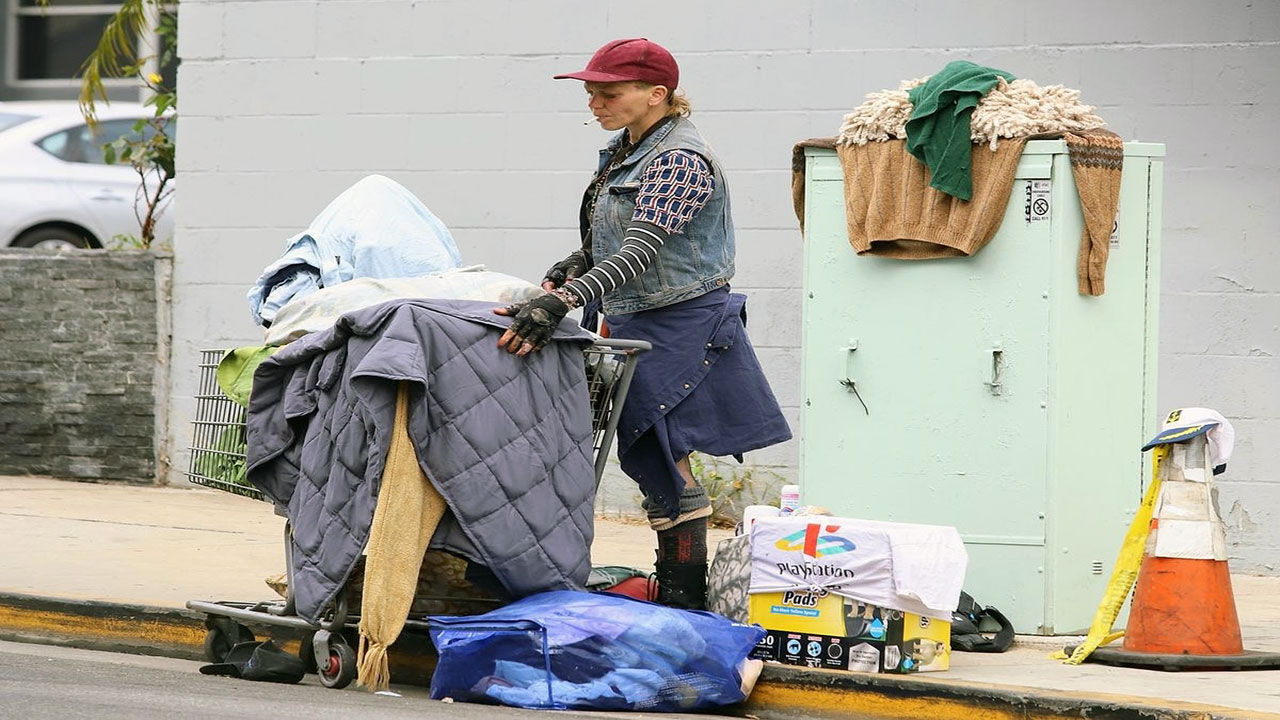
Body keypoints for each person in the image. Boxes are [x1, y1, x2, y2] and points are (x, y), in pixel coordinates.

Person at [495, 38, 791, 609]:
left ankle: (682, 599)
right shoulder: (622, 149)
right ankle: (681, 597)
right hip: (634, 314)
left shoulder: (680, 159)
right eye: (590, 92)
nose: (594, 102)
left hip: (680, 319)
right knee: (654, 452)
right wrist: (574, 264)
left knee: (657, 449)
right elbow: (608, 242)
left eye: (609, 92)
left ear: (657, 95)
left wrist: (560, 304)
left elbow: (641, 252)